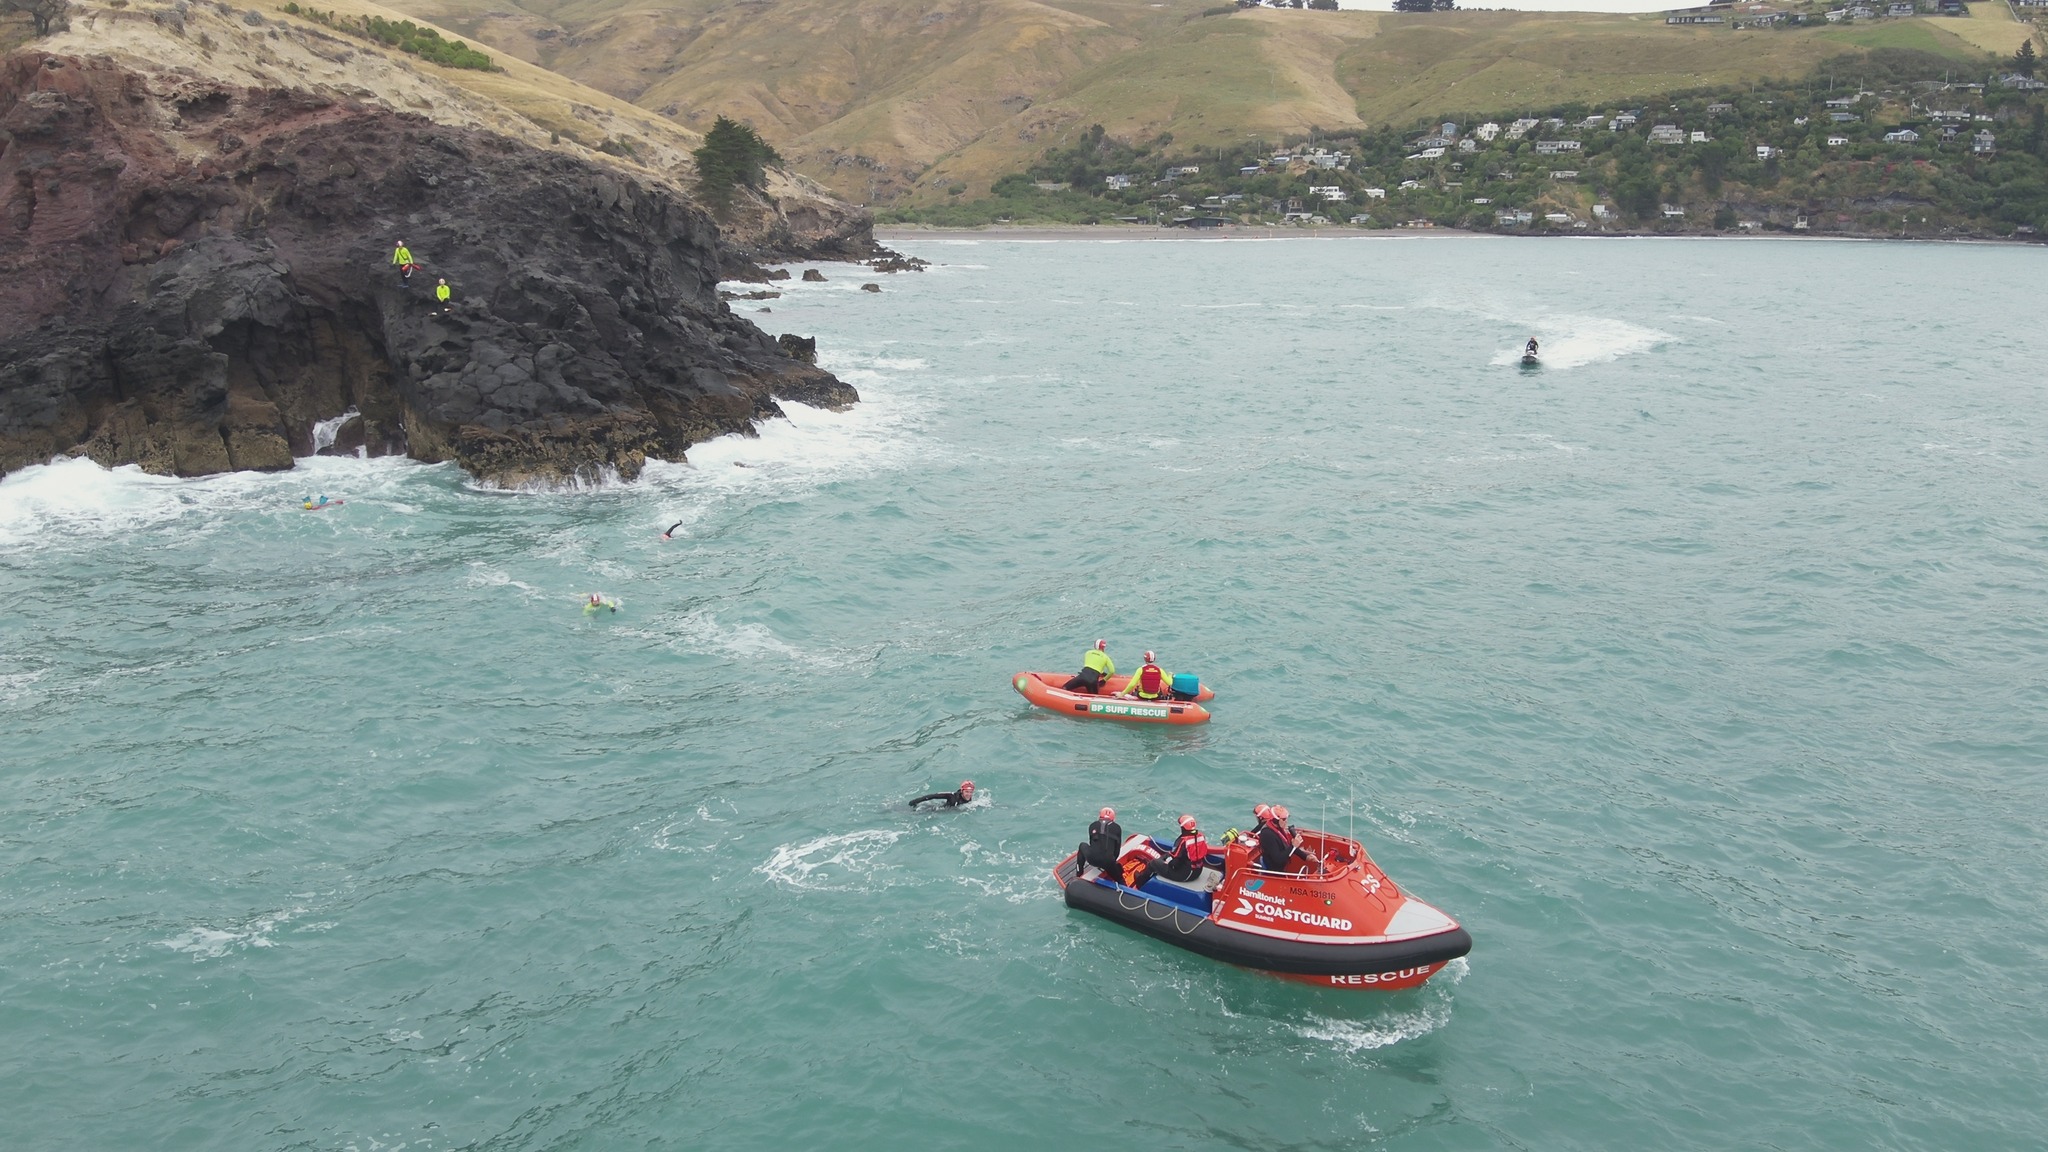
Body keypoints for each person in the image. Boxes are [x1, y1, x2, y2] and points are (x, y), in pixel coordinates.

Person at [1133, 815, 1209, 886]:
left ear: (1183, 828)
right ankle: (1157, 865)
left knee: (1153, 864)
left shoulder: (1183, 841)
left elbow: (1174, 863)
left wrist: (1166, 863)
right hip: (1197, 871)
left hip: (1184, 875)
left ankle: (1140, 881)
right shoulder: (1201, 836)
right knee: (1167, 855)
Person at [1255, 803, 1303, 873]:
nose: (1286, 821)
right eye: (1283, 819)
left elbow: (1287, 845)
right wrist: (1293, 846)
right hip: (1272, 871)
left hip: (1280, 868)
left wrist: (1305, 856)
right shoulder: (1267, 835)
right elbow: (1278, 859)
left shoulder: (1279, 829)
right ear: (1275, 820)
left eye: (1286, 819)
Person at [1076, 806, 1122, 876]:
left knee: (1082, 845)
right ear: (1113, 818)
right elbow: (1116, 851)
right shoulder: (1117, 828)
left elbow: (1092, 844)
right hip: (1108, 862)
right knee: (1120, 880)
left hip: (1092, 859)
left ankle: (1079, 873)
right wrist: (1112, 863)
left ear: (1100, 816)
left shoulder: (1092, 825)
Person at [909, 780, 975, 809]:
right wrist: (914, 801)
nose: (969, 794)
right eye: (967, 792)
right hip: (935, 810)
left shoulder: (970, 798)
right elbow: (933, 796)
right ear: (962, 791)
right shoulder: (952, 796)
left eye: (970, 792)